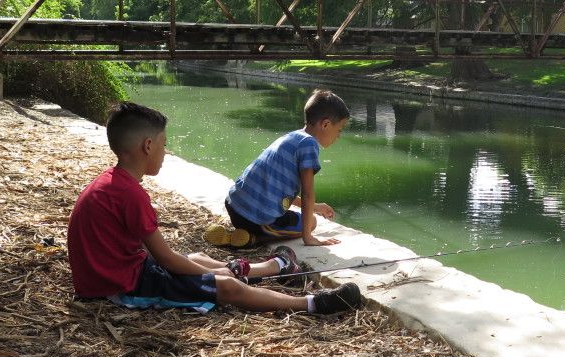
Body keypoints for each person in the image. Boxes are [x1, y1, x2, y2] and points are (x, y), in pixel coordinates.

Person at [67, 101, 361, 315]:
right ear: (147, 146)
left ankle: (269, 268)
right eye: (163, 144)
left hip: (121, 269)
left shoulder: (113, 182)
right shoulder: (129, 194)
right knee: (226, 288)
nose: (165, 151)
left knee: (196, 257)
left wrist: (200, 270)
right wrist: (212, 278)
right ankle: (313, 304)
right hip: (120, 287)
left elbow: (158, 254)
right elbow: (167, 259)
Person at [204, 89, 349, 250]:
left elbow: (279, 189)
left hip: (235, 206)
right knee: (311, 223)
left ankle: (240, 233)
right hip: (257, 219)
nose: (339, 136)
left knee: (305, 218)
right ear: (326, 124)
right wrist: (308, 237)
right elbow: (308, 193)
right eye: (339, 130)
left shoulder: (292, 137)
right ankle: (251, 239)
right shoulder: (309, 145)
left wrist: (315, 206)